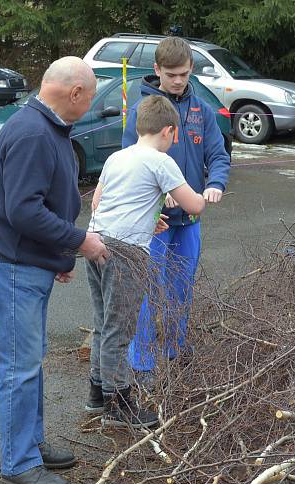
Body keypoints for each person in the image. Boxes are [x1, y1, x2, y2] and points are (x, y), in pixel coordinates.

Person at [0, 56, 109, 484]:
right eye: (88, 99)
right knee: (19, 366)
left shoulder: (45, 127)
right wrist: (77, 242)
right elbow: (24, 210)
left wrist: (56, 257)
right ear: (74, 93)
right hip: (12, 265)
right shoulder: (33, 132)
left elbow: (40, 205)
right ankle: (18, 463)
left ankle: (28, 443)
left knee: (29, 361)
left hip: (27, 263)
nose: (88, 108)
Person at [84, 95, 205, 428]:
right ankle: (118, 403)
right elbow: (192, 206)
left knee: (102, 321)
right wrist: (204, 195)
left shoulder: (117, 157)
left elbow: (99, 201)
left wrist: (149, 216)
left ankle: (97, 390)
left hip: (95, 242)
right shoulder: (160, 161)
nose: (175, 140)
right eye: (175, 134)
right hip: (124, 252)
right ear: (167, 131)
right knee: (120, 327)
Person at [121, 36, 230, 379]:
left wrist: (216, 183)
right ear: (157, 70)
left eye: (184, 74)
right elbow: (131, 160)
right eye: (171, 75)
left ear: (191, 70)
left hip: (189, 219)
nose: (178, 81)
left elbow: (218, 154)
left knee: (181, 288)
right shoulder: (144, 111)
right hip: (154, 221)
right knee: (148, 291)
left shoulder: (202, 111)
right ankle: (141, 361)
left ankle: (176, 348)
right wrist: (159, 191)